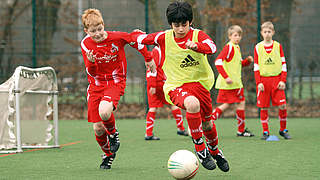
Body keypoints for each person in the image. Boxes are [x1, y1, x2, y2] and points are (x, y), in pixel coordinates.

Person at [134, 1, 229, 172]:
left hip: (200, 86)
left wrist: (197, 47)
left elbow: (212, 47)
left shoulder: (198, 36)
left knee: (207, 124)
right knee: (192, 104)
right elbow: (139, 39)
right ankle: (200, 148)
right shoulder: (164, 37)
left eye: (184, 24)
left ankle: (215, 151)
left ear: (190, 22)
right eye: (176, 25)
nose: (180, 29)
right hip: (175, 86)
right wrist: (137, 40)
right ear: (171, 24)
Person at [80, 8, 155, 170]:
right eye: (93, 31)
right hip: (95, 86)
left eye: (100, 29)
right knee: (98, 128)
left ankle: (113, 134)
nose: (98, 34)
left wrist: (148, 58)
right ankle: (108, 154)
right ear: (86, 31)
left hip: (115, 82)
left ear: (103, 25)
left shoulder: (116, 37)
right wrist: (92, 62)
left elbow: (135, 40)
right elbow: (90, 71)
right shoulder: (86, 44)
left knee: (105, 111)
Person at [212, 25, 254, 137]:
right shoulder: (228, 48)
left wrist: (247, 61)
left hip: (236, 83)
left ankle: (241, 130)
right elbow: (218, 62)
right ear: (229, 36)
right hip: (229, 83)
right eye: (235, 35)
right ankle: (208, 122)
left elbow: (240, 64)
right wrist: (226, 77)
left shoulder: (237, 47)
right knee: (227, 105)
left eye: (239, 35)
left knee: (239, 103)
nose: (237, 37)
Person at [254, 21, 291, 140]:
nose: (267, 34)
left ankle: (283, 130)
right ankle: (265, 132)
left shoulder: (278, 46)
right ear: (261, 33)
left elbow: (284, 64)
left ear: (273, 32)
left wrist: (283, 80)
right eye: (265, 32)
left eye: (269, 31)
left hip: (277, 81)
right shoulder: (258, 47)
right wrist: (258, 82)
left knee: (282, 105)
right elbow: (256, 67)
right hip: (263, 82)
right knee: (264, 107)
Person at [145, 46, 188, 140]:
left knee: (153, 107)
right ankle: (180, 128)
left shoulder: (161, 51)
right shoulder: (158, 51)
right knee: (172, 103)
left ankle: (148, 133)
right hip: (159, 83)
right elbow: (152, 68)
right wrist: (152, 84)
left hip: (158, 83)